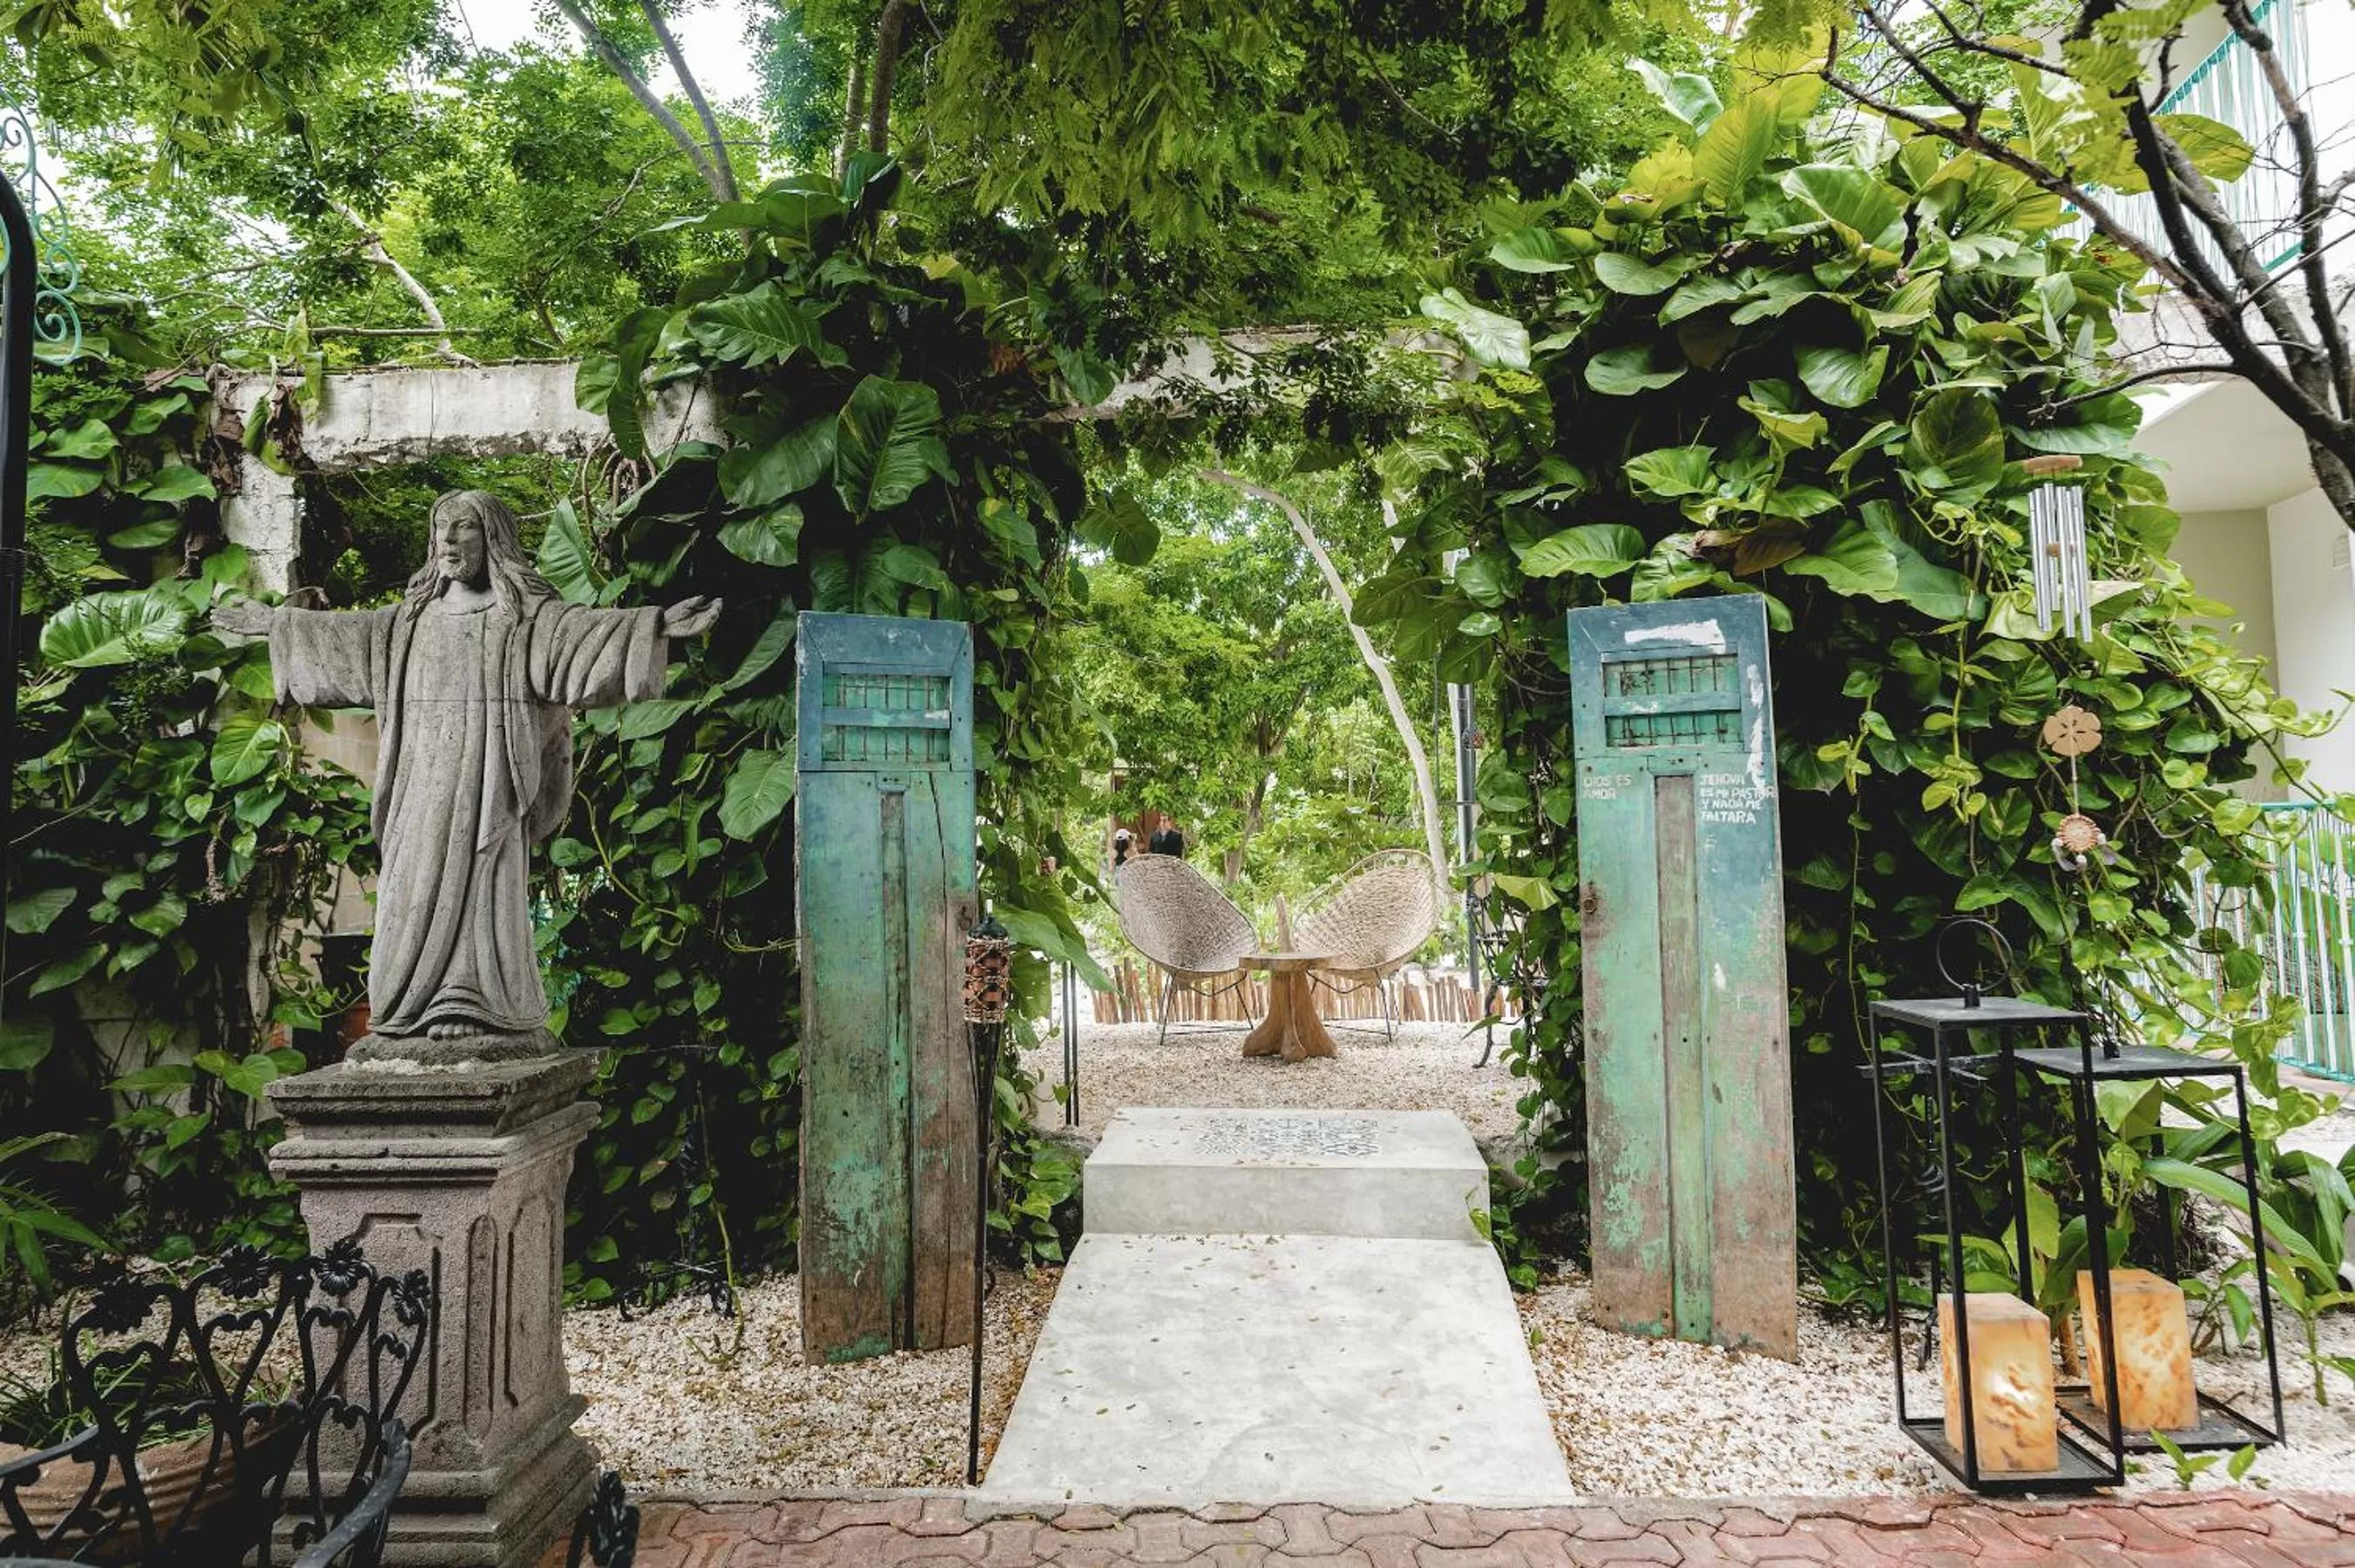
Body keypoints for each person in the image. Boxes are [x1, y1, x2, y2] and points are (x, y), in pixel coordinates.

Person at [213, 490, 721, 1055]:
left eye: (465, 529)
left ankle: (475, 1003)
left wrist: (655, 628)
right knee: (411, 883)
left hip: (490, 785)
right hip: (419, 786)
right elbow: (345, 639)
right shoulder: (406, 622)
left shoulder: (523, 618)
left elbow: (581, 637)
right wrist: (275, 626)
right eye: (441, 530)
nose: (450, 541)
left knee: (483, 885)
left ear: (494, 538)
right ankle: (405, 1008)